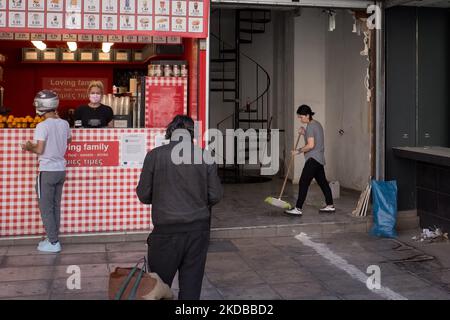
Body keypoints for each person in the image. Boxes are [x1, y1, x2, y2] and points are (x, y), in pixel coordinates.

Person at [136, 115, 223, 300]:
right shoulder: (205, 156)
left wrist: (161, 197)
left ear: (170, 133)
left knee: (158, 290)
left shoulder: (155, 156)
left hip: (165, 234)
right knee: (191, 290)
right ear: (192, 134)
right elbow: (215, 195)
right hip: (198, 232)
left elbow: (143, 195)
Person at [21, 90, 72, 253]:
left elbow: (40, 149)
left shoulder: (42, 126)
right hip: (61, 171)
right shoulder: (64, 124)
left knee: (46, 207)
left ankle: (53, 242)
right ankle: (52, 237)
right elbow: (68, 139)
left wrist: (28, 147)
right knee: (55, 205)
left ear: (41, 106)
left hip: (47, 171)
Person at [285, 104, 335, 216]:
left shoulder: (311, 126)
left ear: (308, 115)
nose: (300, 119)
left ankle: (298, 208)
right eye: (299, 117)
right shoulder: (316, 124)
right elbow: (313, 140)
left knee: (303, 182)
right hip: (319, 159)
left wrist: (297, 151)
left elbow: (311, 145)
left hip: (313, 159)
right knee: (322, 182)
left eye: (301, 117)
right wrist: (304, 133)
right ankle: (330, 205)